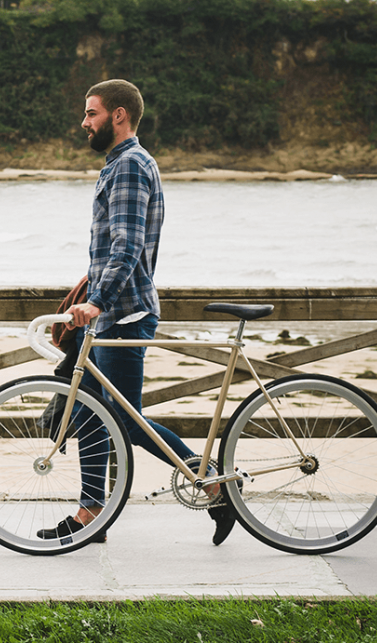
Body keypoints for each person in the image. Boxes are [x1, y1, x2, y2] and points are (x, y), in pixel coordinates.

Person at [37, 79, 236, 546]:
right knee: (87, 413)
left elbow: (126, 249)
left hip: (122, 315)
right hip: (109, 315)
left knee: (126, 421)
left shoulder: (129, 166)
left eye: (91, 113)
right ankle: (92, 514)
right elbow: (115, 250)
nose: (84, 122)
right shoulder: (120, 165)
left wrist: (96, 301)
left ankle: (211, 485)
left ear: (119, 115)